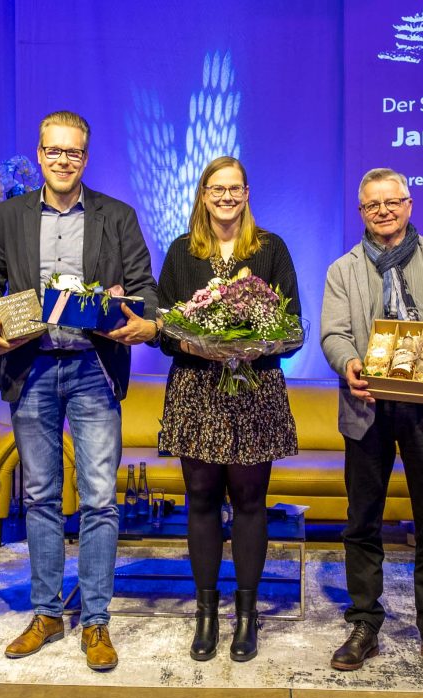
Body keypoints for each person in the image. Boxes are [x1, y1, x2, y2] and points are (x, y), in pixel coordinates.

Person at [0, 111, 159, 671]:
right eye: (54, 150)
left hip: (93, 368)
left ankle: (96, 620)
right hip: (30, 368)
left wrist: (142, 320)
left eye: (73, 152)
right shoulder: (10, 215)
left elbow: (145, 288)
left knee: (100, 498)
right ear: (39, 154)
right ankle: (47, 613)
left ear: (85, 157)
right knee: (40, 497)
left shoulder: (116, 216)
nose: (63, 160)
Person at [320, 167, 423, 674]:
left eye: (393, 202)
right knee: (361, 522)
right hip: (368, 409)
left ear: (409, 205)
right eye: (373, 205)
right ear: (361, 212)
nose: (384, 211)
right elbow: (333, 334)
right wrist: (348, 362)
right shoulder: (343, 269)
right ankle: (364, 623)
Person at [156, 156, 300, 662]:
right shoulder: (182, 251)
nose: (226, 197)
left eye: (235, 188)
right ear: (203, 194)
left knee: (250, 502)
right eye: (217, 189)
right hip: (196, 391)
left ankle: (246, 614)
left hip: (254, 391)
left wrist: (253, 346)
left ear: (247, 193)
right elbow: (164, 329)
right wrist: (196, 344)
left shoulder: (271, 249)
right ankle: (206, 614)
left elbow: (293, 328)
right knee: (199, 500)